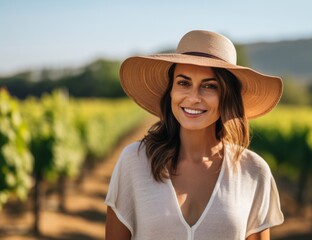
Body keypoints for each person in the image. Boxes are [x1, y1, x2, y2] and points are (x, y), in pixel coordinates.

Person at [105, 30, 284, 240]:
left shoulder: (254, 171)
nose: (193, 97)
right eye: (184, 83)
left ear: (227, 96)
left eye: (209, 86)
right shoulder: (134, 162)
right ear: (171, 90)